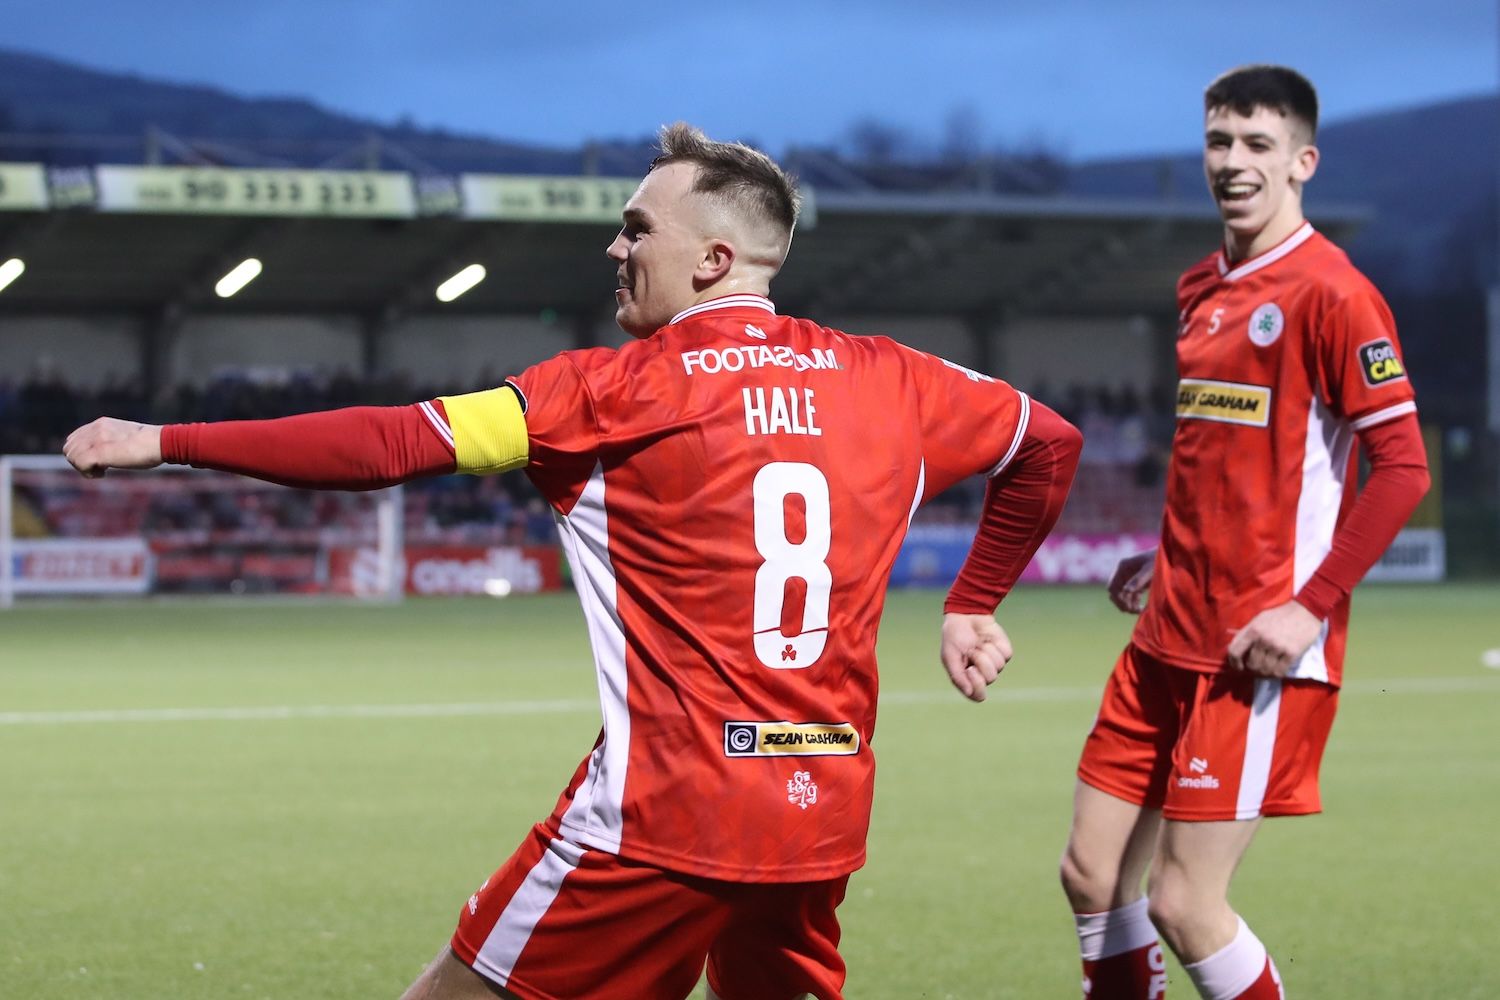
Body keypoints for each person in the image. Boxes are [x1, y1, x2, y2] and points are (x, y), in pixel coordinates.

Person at [65, 123, 1082, 1000]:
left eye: (639, 227)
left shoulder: (609, 390)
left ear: (716, 259)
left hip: (662, 817)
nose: (615, 245)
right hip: (818, 813)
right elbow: (1050, 442)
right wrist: (973, 600)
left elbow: (390, 444)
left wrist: (173, 438)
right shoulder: (894, 379)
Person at [1057, 66, 1431, 1000]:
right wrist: (1166, 549)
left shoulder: (1334, 295)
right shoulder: (1199, 288)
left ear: (1303, 161)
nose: (1234, 162)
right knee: (1093, 877)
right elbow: (1226, 457)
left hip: (1255, 645)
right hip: (1166, 631)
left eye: (1258, 145)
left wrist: (1309, 609)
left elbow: (1405, 469)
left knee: (1187, 904)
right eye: (1219, 142)